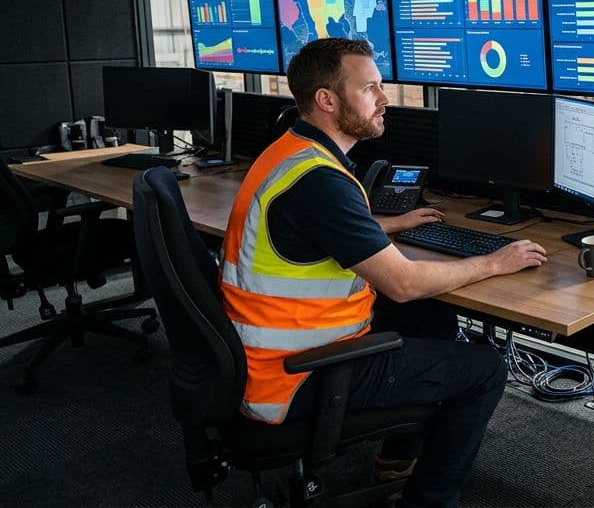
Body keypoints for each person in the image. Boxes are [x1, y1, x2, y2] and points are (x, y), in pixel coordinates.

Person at [219, 38, 548, 507]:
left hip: (270, 353)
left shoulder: (290, 152)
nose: (385, 99)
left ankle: (396, 459)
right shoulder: (321, 181)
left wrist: (379, 224)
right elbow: (405, 282)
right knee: (484, 369)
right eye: (369, 88)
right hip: (295, 376)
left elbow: (305, 229)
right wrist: (497, 261)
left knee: (432, 321)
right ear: (327, 100)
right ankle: (430, 501)